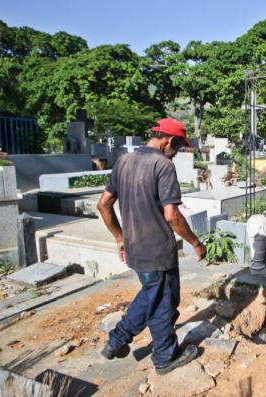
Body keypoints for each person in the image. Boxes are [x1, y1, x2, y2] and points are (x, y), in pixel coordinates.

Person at [97, 118, 206, 375]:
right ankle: (162, 356)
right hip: (156, 249)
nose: (177, 153)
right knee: (160, 301)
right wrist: (195, 242)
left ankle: (119, 341)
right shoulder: (162, 165)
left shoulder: (124, 161)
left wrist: (119, 237)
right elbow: (172, 216)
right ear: (169, 141)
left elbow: (103, 204)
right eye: (178, 147)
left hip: (135, 246)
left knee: (155, 296)